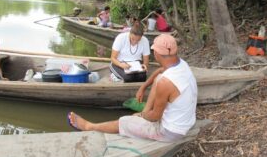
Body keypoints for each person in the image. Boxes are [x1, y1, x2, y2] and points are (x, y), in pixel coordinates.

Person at [67, 34, 197, 142]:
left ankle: (89, 126)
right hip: (187, 121)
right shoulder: (181, 64)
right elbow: (159, 71)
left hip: (170, 132)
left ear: (156, 53)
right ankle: (143, 114)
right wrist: (143, 87)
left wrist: (141, 115)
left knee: (124, 121)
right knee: (158, 79)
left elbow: (156, 116)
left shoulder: (167, 82)